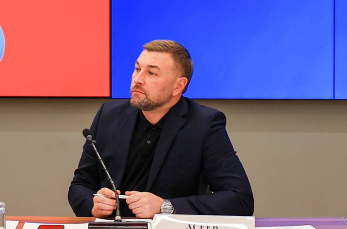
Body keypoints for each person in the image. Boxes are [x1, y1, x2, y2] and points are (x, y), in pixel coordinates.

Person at [68, 40, 253, 218]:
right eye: (137, 69)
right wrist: (93, 205)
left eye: (151, 73)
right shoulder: (109, 115)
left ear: (178, 86)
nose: (138, 79)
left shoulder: (204, 124)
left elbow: (240, 199)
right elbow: (80, 185)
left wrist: (166, 206)